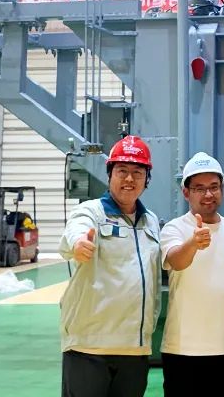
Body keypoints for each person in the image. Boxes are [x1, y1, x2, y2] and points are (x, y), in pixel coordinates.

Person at [58, 134, 162, 397]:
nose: (129, 179)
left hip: (135, 349)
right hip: (89, 348)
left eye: (138, 172)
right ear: (110, 175)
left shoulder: (150, 221)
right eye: (122, 171)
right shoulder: (91, 212)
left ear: (147, 180)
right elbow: (76, 230)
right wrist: (79, 243)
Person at [160, 152, 224, 397]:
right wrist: (193, 244)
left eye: (214, 187)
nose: (208, 194)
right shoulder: (174, 228)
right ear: (186, 192)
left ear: (222, 189)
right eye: (199, 188)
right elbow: (176, 261)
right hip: (181, 348)